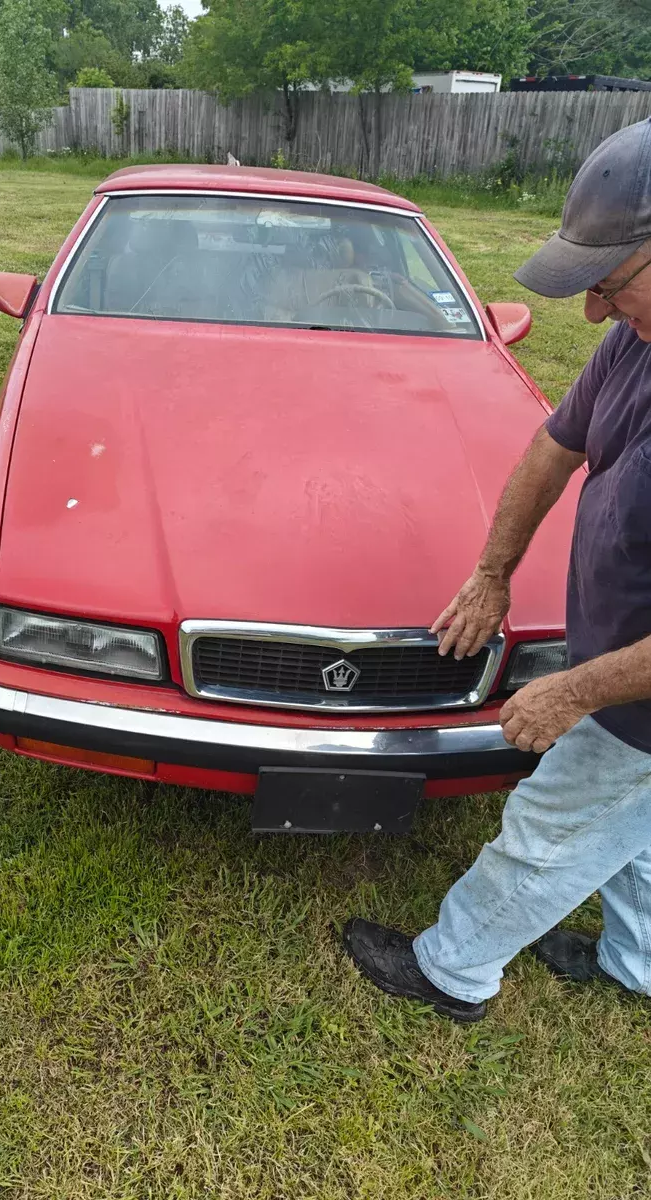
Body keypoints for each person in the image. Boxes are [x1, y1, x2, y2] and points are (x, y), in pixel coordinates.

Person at [344, 116, 651, 1022]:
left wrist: (576, 691)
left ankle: (453, 970)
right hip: (620, 667)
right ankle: (638, 964)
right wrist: (492, 571)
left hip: (633, 695)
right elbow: (554, 449)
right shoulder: (635, 344)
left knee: (549, 833)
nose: (593, 310)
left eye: (609, 282)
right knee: (638, 832)